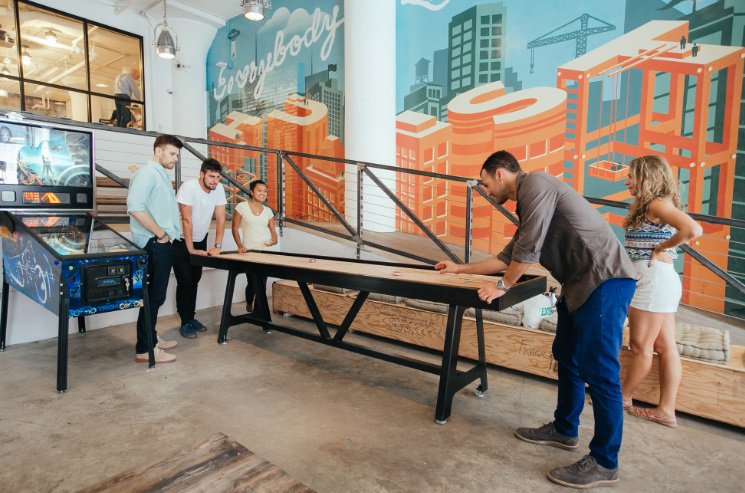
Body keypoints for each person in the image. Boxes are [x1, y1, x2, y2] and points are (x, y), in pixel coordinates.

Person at [435, 150, 637, 489]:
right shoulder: (531, 204)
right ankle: (565, 429)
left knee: (601, 372)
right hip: (579, 286)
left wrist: (503, 286)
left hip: (605, 281)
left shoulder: (536, 185)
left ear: (500, 174)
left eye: (485, 183)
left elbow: (527, 251)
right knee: (567, 356)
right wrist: (459, 268)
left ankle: (605, 462)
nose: (486, 190)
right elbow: (507, 257)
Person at [621, 155, 702, 428]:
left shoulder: (657, 203)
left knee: (640, 347)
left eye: (631, 176)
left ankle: (621, 397)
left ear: (647, 177)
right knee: (665, 347)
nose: (627, 181)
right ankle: (666, 410)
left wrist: (661, 248)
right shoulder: (651, 204)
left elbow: (692, 229)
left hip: (653, 282)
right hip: (659, 281)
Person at [127, 134, 183, 363]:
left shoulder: (158, 175)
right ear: (158, 151)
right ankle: (145, 349)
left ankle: (151, 338)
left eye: (177, 155)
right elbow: (135, 208)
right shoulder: (147, 174)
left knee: (156, 296)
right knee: (153, 296)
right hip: (155, 243)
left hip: (162, 243)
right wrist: (161, 235)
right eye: (172, 154)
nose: (176, 159)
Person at [173, 158, 228, 339]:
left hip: (200, 239)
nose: (215, 181)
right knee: (185, 280)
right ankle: (185, 322)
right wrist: (190, 249)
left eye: (218, 177)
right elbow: (186, 219)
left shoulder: (218, 189)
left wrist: (217, 245)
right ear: (202, 174)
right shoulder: (188, 187)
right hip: (180, 240)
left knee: (195, 279)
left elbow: (221, 218)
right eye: (211, 176)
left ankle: (191, 317)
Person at [231, 180, 277, 312]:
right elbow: (234, 228)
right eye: (259, 190)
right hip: (249, 252)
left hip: (265, 252)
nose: (262, 193)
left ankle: (259, 313)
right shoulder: (241, 207)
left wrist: (274, 240)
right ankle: (249, 301)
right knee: (252, 282)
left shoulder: (268, 211)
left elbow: (273, 232)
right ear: (251, 192)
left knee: (262, 283)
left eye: (265, 191)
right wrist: (240, 245)